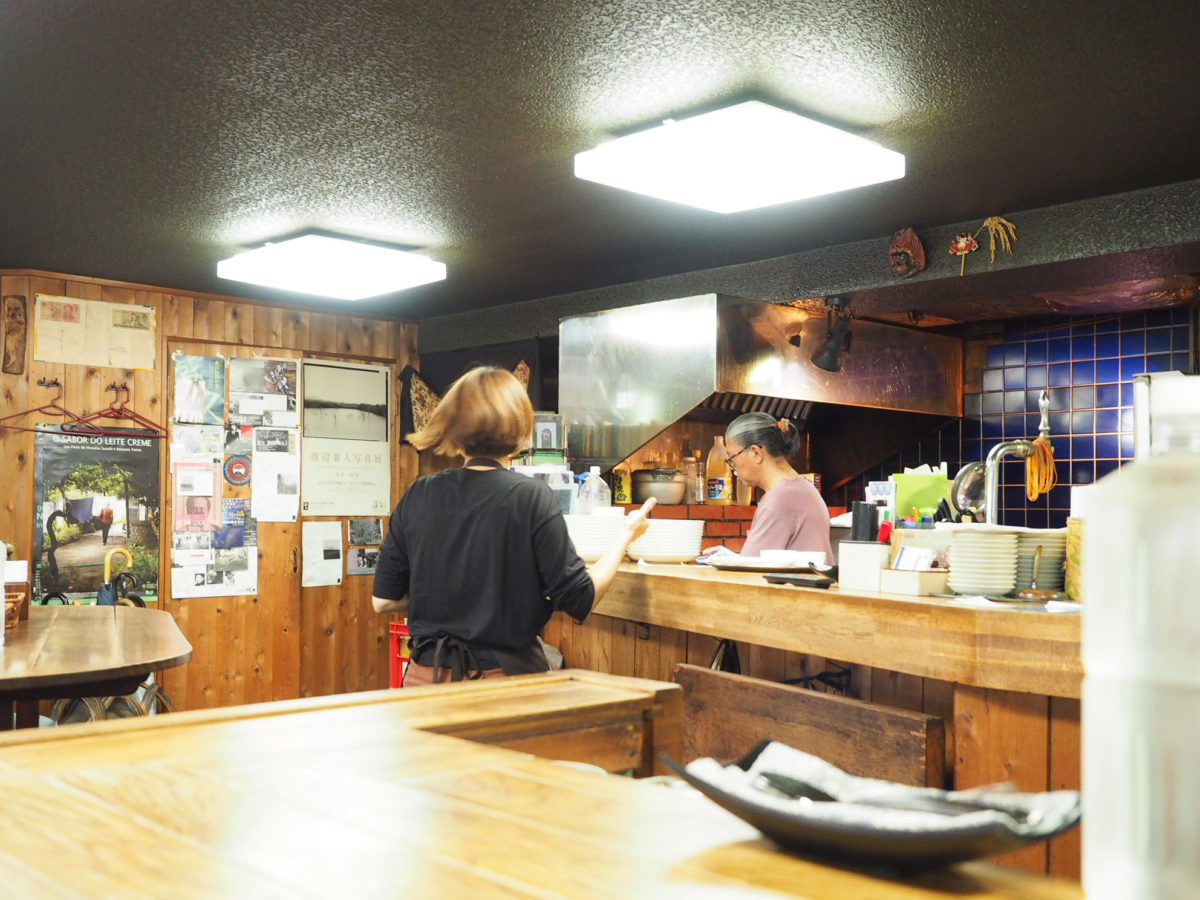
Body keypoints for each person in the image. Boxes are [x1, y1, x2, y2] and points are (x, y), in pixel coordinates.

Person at [371, 365, 656, 685]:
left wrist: (448, 594)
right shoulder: (530, 498)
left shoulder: (418, 493)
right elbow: (581, 599)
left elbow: (382, 601)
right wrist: (626, 535)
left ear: (454, 425)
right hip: (500, 681)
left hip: (425, 679)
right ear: (520, 428)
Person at [723, 412, 833, 559]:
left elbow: (751, 567)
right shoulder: (804, 488)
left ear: (756, 453)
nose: (732, 467)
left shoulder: (779, 500)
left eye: (731, 458)